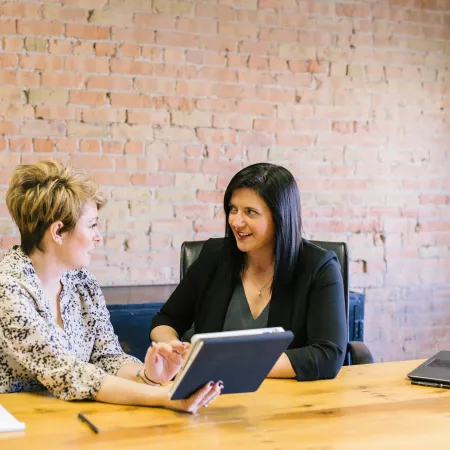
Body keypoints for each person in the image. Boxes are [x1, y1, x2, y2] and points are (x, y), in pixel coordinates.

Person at [0, 160, 222, 412]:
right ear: (58, 232)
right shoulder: (9, 289)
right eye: (92, 225)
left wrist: (147, 374)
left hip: (75, 416)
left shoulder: (83, 283)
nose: (98, 236)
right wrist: (164, 397)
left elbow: (107, 358)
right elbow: (68, 374)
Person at [150, 163, 347, 381]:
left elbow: (328, 355)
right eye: (233, 209)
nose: (236, 221)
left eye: (250, 212)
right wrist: (173, 349)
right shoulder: (215, 256)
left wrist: (232, 365)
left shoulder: (319, 266)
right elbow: (165, 320)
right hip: (212, 396)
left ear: (280, 217)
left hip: (288, 399)